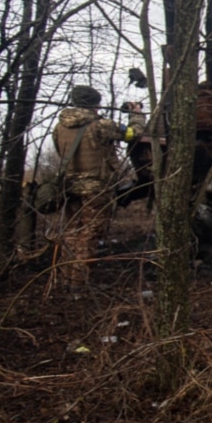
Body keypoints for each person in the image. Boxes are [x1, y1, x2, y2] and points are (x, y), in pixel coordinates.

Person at [52, 85, 143, 284]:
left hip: (69, 187)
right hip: (95, 188)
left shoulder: (60, 126)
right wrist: (136, 113)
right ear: (95, 104)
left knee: (72, 231)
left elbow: (61, 152)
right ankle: (79, 283)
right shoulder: (101, 125)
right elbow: (133, 134)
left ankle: (65, 277)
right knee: (89, 233)